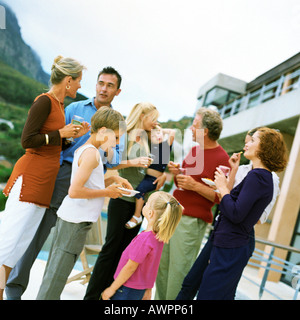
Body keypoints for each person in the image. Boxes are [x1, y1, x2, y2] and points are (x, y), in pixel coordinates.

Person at [5, 66, 123, 300]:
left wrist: (109, 147)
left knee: (65, 241)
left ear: (117, 91)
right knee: (37, 232)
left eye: (110, 85)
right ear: (96, 84)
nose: (104, 89)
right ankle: (14, 289)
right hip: (62, 175)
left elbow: (115, 157)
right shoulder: (74, 108)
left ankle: (47, 294)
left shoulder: (117, 122)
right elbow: (55, 143)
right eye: (101, 83)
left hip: (90, 177)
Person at [0, 55, 88, 300]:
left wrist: (70, 136)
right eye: (79, 81)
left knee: (20, 244)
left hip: (45, 183)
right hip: (31, 178)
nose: (81, 86)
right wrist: (60, 132)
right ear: (68, 80)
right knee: (8, 239)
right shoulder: (44, 101)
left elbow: (51, 143)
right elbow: (27, 140)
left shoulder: (60, 106)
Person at [36, 107, 131, 300]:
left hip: (71, 219)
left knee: (53, 274)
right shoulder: (92, 155)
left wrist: (111, 181)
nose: (118, 143)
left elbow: (86, 185)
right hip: (75, 223)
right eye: (117, 137)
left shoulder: (86, 150)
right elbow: (75, 191)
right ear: (104, 131)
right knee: (56, 278)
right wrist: (108, 192)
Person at [176, 128, 281, 300]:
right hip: (225, 237)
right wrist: (229, 177)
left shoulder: (260, 177)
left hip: (232, 242)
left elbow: (236, 213)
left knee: (209, 295)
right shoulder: (256, 175)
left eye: (252, 140)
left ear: (264, 147)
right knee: (204, 290)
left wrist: (223, 188)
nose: (246, 144)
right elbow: (231, 203)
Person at [84, 102, 166, 300]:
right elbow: (110, 161)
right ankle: (92, 296)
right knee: (111, 248)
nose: (155, 121)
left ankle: (109, 295)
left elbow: (159, 167)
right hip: (121, 198)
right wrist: (133, 162)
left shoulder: (150, 139)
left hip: (139, 203)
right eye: (152, 117)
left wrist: (162, 148)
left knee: (126, 253)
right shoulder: (124, 134)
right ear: (142, 115)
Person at [154, 107, 230, 300]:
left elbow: (221, 196)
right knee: (162, 269)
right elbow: (186, 179)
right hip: (173, 215)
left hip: (189, 222)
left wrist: (195, 186)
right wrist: (177, 171)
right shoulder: (195, 150)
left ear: (205, 131)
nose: (190, 129)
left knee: (178, 272)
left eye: (194, 125)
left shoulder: (223, 159)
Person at [102, 191, 183, 300]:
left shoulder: (144, 239)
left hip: (126, 289)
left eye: (148, 203)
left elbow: (130, 267)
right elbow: (153, 266)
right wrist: (148, 289)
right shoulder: (158, 238)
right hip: (139, 291)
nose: (145, 203)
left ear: (151, 213)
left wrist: (112, 288)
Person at [125, 126, 176, 229]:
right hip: (147, 177)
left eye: (158, 134)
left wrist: (161, 130)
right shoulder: (151, 147)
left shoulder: (165, 146)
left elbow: (172, 132)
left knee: (140, 190)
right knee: (141, 192)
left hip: (154, 179)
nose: (157, 136)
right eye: (153, 136)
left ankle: (137, 215)